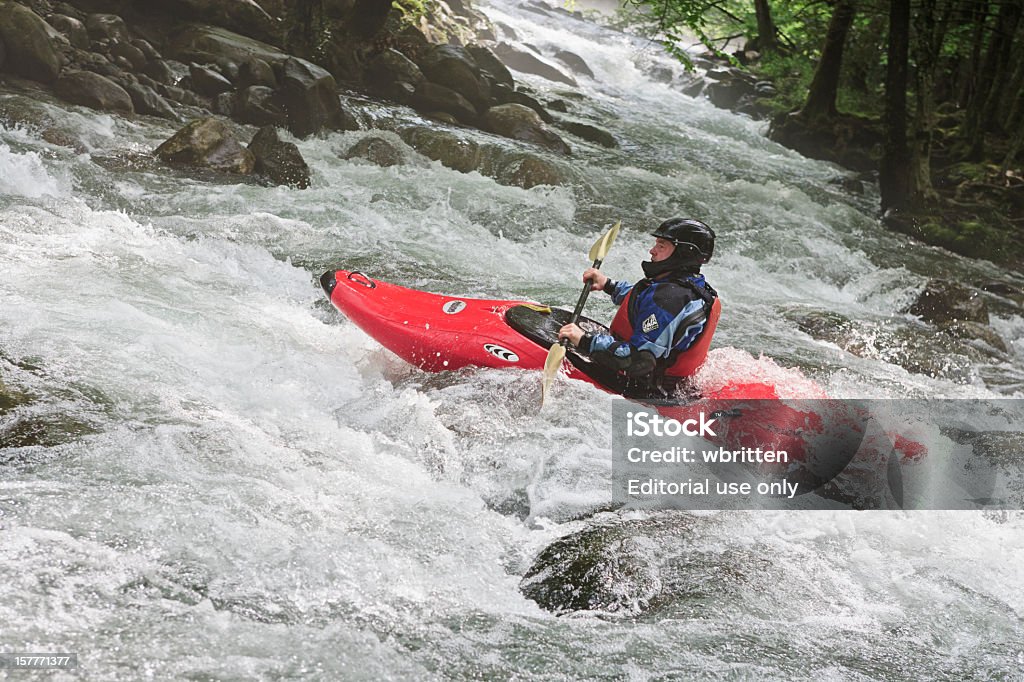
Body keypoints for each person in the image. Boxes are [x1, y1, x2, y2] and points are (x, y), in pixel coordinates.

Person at [557, 218, 720, 398]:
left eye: (661, 246)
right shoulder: (690, 285)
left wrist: (585, 340)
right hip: (672, 383)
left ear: (682, 252)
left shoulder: (668, 300)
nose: (652, 250)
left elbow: (638, 360)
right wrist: (608, 285)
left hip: (643, 387)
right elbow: (645, 298)